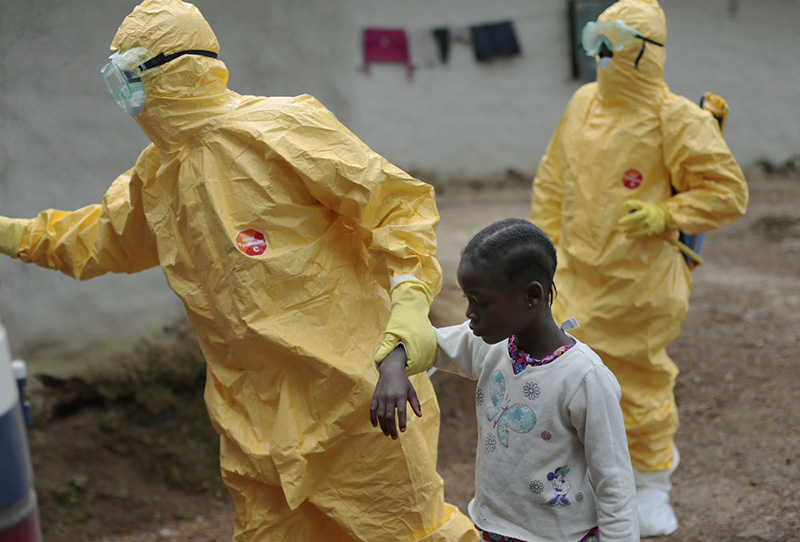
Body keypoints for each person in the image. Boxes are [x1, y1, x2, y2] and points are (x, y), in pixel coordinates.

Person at [0, 1, 479, 540]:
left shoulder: (281, 128)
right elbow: (95, 238)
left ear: (173, 69)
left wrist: (410, 304)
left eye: (130, 75)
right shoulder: (157, 176)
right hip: (252, 424)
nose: (124, 94)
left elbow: (395, 203)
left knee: (406, 532)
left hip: (354, 397)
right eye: (116, 79)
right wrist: (10, 234)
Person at [529, 0, 748, 536]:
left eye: (616, 43)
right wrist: (542, 253)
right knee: (567, 378)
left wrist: (666, 213)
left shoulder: (676, 118)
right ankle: (578, 481)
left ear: (645, 52)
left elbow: (728, 193)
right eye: (594, 41)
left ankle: (652, 486)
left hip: (642, 283)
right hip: (575, 277)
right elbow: (553, 184)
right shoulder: (581, 104)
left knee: (640, 380)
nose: (602, 55)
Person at [371, 218, 640, 542]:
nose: (469, 313)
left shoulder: (584, 379)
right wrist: (392, 368)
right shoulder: (490, 346)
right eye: (467, 299)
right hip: (492, 530)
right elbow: (426, 343)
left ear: (531, 296)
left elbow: (615, 482)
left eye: (481, 302)